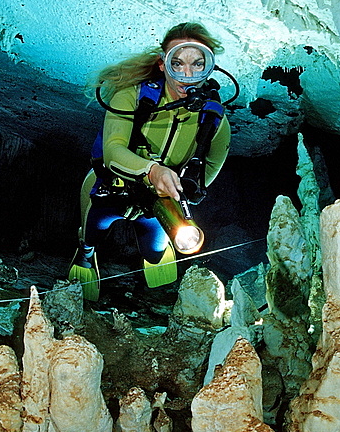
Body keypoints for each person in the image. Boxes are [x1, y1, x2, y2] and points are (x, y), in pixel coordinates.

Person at [69, 22, 231, 298]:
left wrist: (189, 189)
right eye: (177, 63)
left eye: (197, 65)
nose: (187, 75)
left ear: (209, 68)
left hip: (157, 201)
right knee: (90, 236)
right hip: (107, 190)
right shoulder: (130, 96)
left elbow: (212, 164)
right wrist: (152, 171)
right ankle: (85, 255)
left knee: (154, 250)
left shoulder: (214, 121)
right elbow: (113, 151)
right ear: (162, 64)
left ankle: (155, 267)